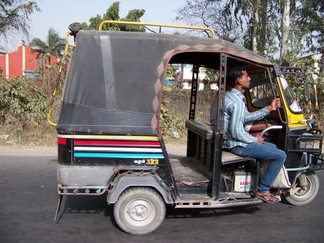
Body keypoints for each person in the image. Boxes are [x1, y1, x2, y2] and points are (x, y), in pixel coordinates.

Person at [223, 67, 286, 203]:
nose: (249, 78)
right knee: (281, 155)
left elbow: (246, 117)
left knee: (273, 147)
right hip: (237, 145)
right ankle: (263, 189)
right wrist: (255, 139)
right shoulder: (236, 102)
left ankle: (261, 178)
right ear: (239, 80)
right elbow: (236, 132)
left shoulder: (232, 97)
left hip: (234, 142)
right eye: (247, 76)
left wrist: (269, 108)